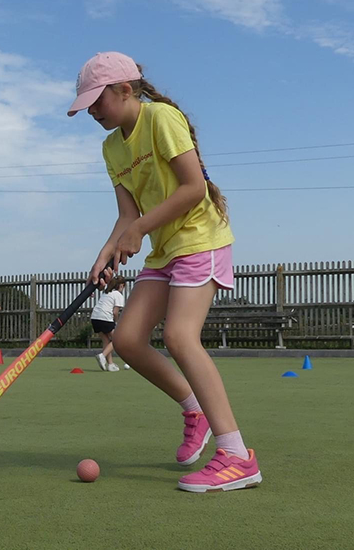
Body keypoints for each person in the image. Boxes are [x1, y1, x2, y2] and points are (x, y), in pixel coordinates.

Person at [68, 51, 261, 493]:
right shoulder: (111, 146)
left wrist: (138, 230)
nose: (93, 112)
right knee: (128, 340)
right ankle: (195, 409)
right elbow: (126, 213)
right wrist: (106, 252)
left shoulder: (162, 119)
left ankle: (236, 455)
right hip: (163, 247)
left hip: (200, 236)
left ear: (125, 89)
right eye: (87, 106)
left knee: (179, 336)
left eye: (98, 101)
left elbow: (193, 188)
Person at [90, 275, 128, 372]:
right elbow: (115, 312)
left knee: (106, 340)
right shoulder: (118, 295)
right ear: (122, 286)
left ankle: (110, 365)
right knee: (116, 340)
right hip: (105, 318)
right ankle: (102, 356)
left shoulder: (106, 293)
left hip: (95, 318)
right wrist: (116, 323)